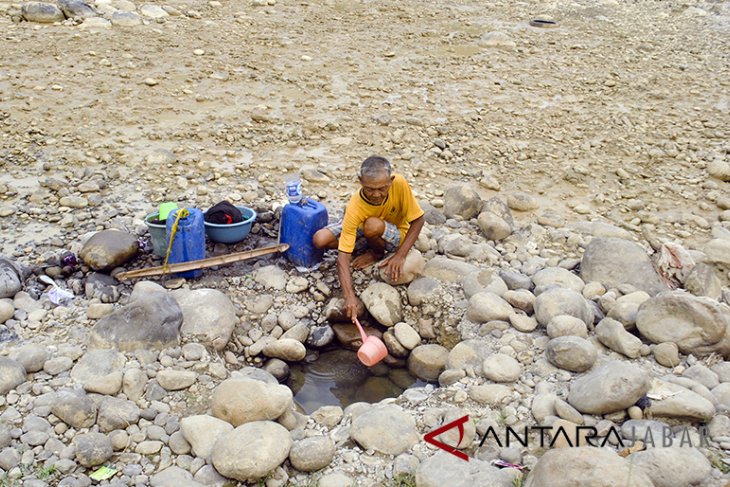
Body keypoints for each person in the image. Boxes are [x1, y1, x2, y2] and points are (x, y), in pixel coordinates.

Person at [313, 156, 425, 321]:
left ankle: (376, 253)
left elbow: (418, 220)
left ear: (391, 181)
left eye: (382, 188)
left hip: (394, 232)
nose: (376, 194)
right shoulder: (355, 206)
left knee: (372, 225)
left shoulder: (399, 183)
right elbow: (342, 258)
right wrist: (349, 296)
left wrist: (400, 255)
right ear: (360, 181)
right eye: (370, 189)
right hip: (363, 227)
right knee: (320, 239)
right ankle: (365, 244)